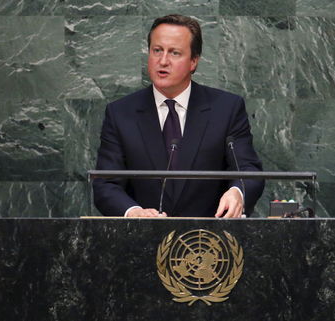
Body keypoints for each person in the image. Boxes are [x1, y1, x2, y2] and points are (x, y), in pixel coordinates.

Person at [93, 14, 264, 218]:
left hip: (207, 241)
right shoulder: (121, 113)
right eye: (157, 50)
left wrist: (238, 192)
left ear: (193, 61)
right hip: (141, 240)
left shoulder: (226, 108)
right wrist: (133, 212)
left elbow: (248, 170)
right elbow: (105, 184)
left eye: (174, 53)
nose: (163, 61)